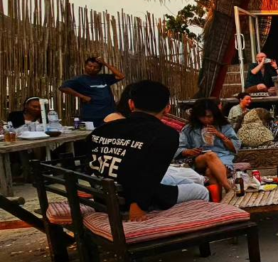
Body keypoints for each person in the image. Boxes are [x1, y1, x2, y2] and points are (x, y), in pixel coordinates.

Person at [88, 80, 209, 221]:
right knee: (201, 191)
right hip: (130, 201)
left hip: (103, 197)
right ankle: (190, 232)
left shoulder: (101, 130)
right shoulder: (165, 134)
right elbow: (149, 176)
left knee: (188, 181)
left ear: (131, 104)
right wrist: (137, 208)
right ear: (167, 108)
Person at [176, 99, 240, 194]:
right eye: (202, 117)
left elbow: (234, 148)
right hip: (199, 158)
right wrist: (189, 151)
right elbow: (179, 148)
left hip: (222, 157)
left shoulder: (224, 127)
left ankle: (217, 201)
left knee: (210, 172)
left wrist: (220, 135)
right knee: (210, 155)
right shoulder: (189, 129)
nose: (206, 120)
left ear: (215, 114)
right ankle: (228, 188)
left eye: (209, 116)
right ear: (197, 116)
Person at [60, 56, 124, 125]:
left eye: (96, 67)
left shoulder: (104, 78)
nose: (92, 68)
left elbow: (121, 76)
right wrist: (82, 96)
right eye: (90, 66)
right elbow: (63, 87)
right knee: (94, 135)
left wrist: (105, 63)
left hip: (109, 114)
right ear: (85, 66)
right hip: (92, 116)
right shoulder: (79, 79)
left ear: (99, 69)